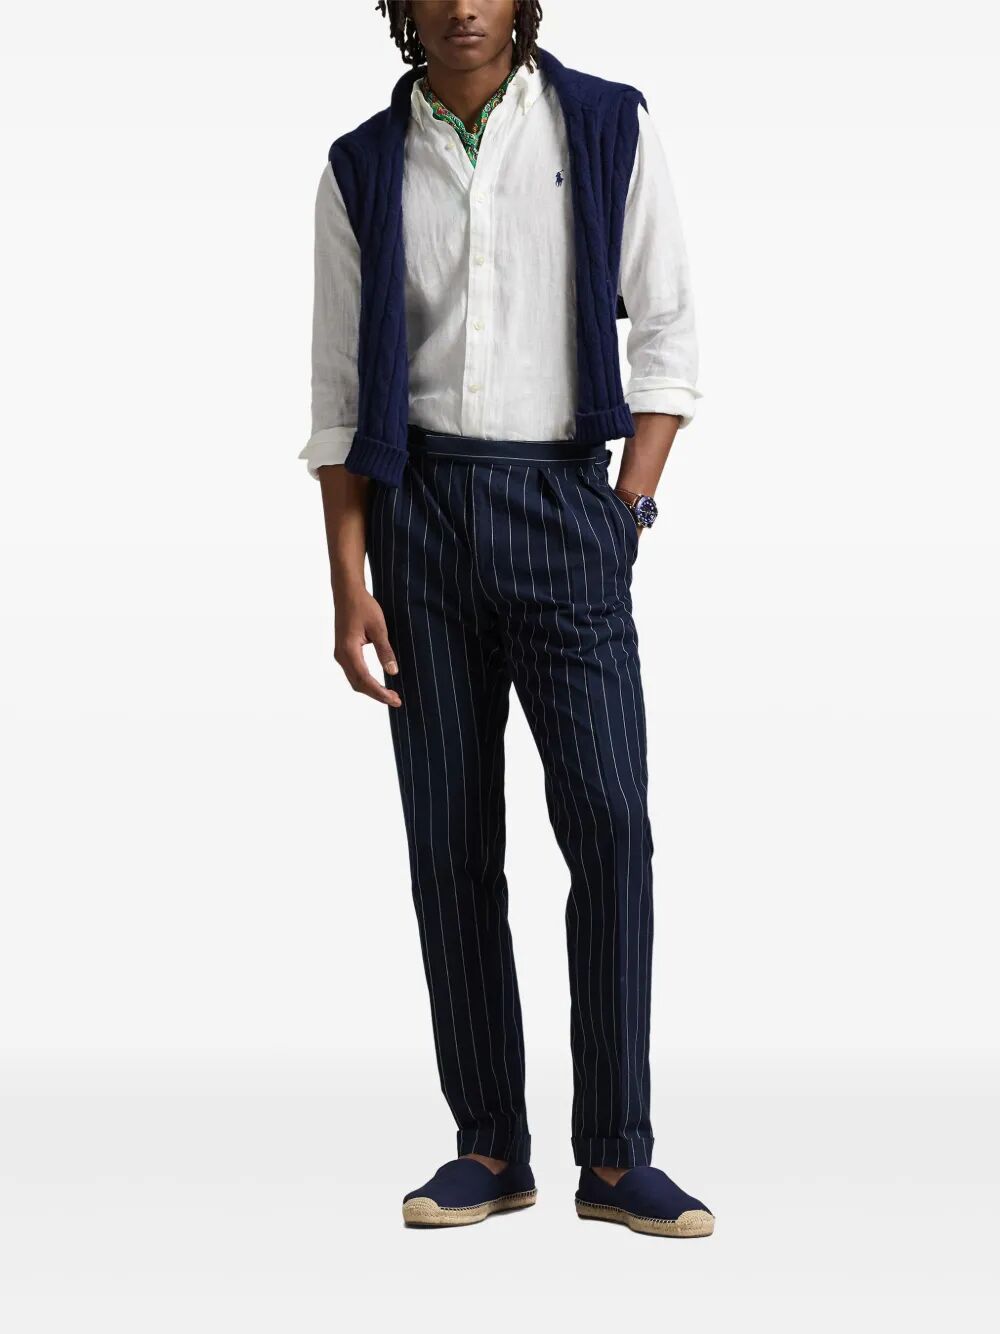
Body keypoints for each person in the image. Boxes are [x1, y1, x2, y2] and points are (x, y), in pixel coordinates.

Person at [300, 0, 714, 1238]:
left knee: (610, 826)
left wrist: (625, 509)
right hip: (416, 515)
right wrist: (349, 578)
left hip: (562, 505)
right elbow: (337, 388)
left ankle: (616, 1156)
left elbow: (668, 331)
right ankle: (488, 1145)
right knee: (449, 841)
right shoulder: (361, 166)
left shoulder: (605, 125)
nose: (462, 5)